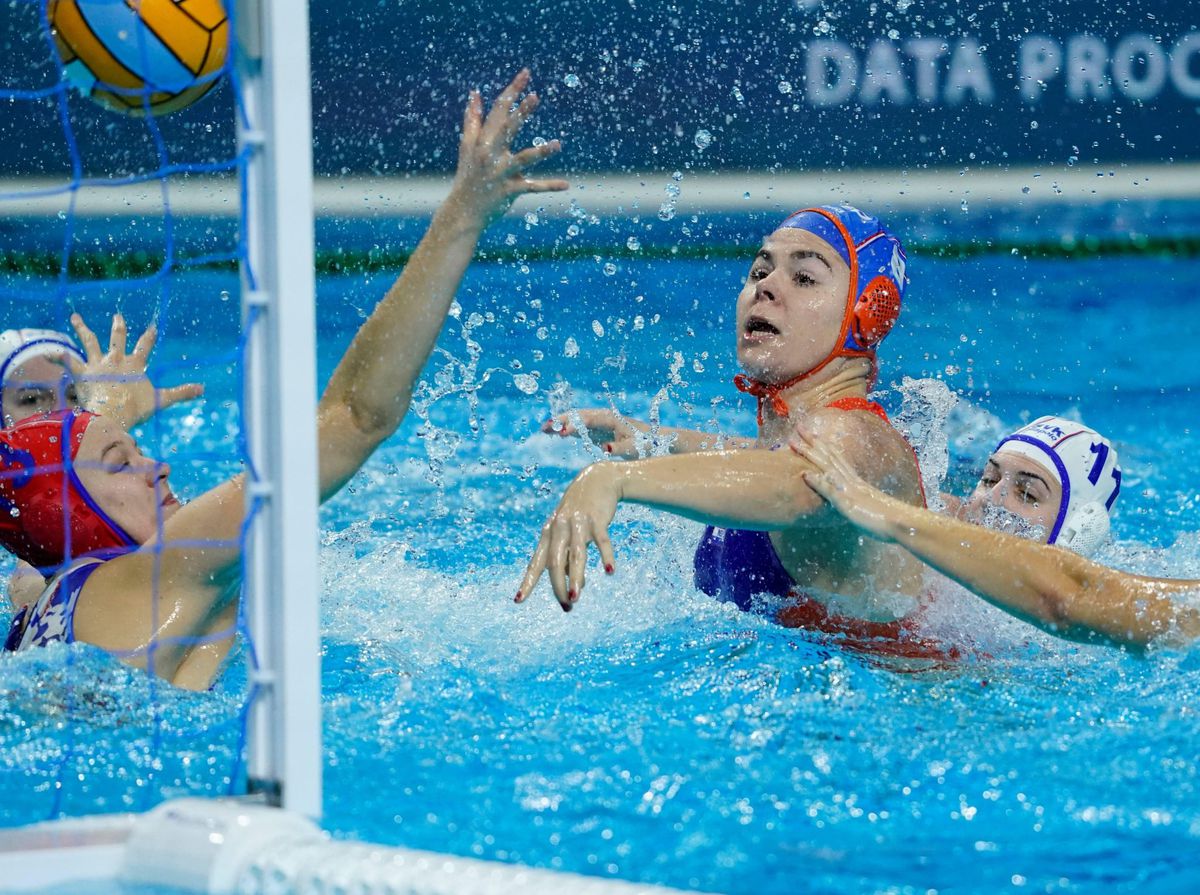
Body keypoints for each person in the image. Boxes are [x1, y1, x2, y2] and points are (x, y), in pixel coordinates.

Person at [1, 70, 565, 690]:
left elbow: (39, 515)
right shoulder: (173, 564)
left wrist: (102, 425)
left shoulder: (32, 604)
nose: (158, 468)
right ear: (65, 506)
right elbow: (354, 418)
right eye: (122, 463)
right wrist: (461, 216)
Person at [519, 205, 939, 653]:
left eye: (804, 279)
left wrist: (614, 480)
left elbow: (803, 483)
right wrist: (654, 440)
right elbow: (769, 461)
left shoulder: (858, 434)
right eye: (760, 271)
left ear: (868, 314)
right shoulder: (799, 441)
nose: (767, 288)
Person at [789, 418, 1200, 651]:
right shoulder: (937, 539)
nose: (990, 501)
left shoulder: (1077, 639)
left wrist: (887, 514)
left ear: (1078, 530)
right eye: (988, 479)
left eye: (1026, 493)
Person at [2, 318, 204, 608]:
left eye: (74, 396)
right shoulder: (36, 553)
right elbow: (38, 586)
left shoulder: (146, 484)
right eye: (32, 399)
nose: (60, 411)